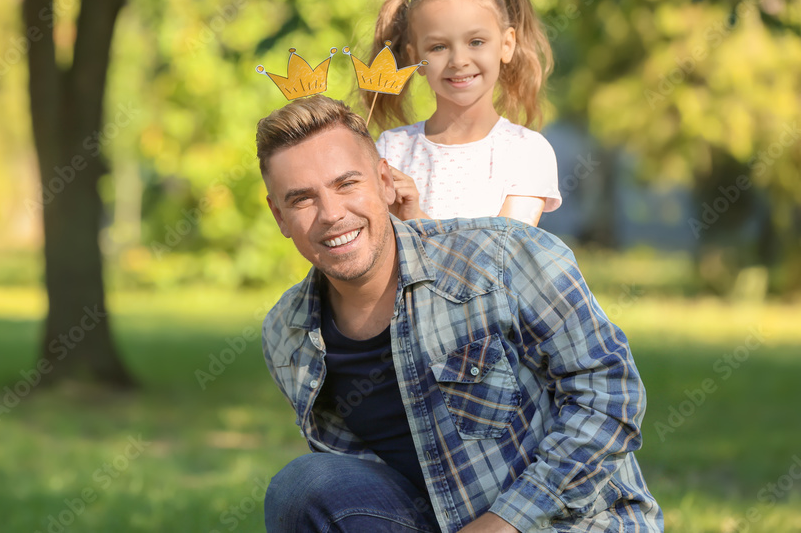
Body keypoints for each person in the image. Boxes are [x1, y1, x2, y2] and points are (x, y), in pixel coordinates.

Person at [256, 95, 662, 533]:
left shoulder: (503, 255)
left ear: (386, 181)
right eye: (302, 200)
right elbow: (357, 485)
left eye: (347, 184)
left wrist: (506, 520)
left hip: (571, 524)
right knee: (302, 486)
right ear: (278, 215)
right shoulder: (289, 333)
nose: (332, 214)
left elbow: (609, 393)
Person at [362, 0, 561, 227]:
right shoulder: (391, 149)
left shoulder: (527, 152)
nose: (459, 61)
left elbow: (502, 258)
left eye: (476, 42)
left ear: (506, 44)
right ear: (414, 58)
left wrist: (417, 220)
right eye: (439, 47)